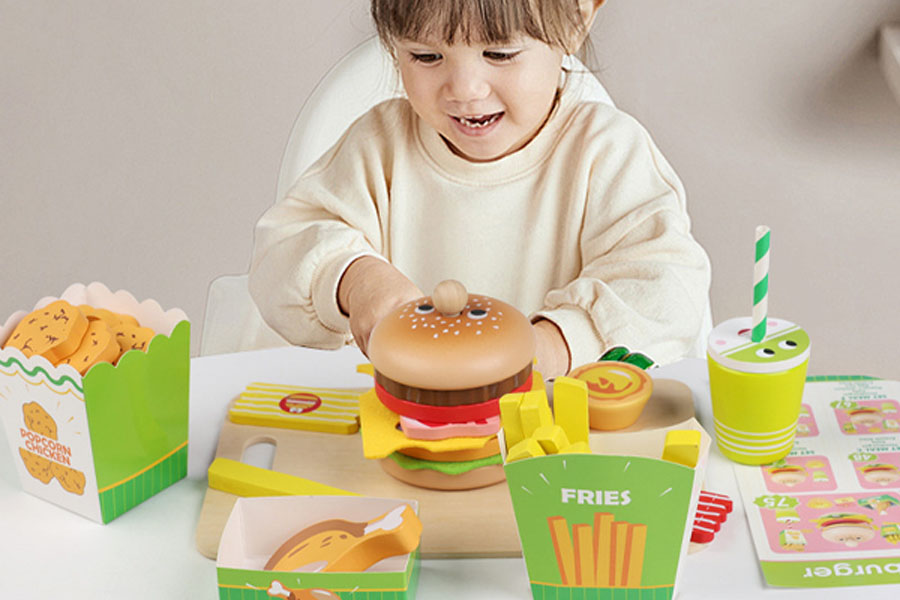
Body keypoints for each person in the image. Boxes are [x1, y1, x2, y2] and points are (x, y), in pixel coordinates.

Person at [249, 0, 711, 379]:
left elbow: (666, 287)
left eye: (500, 54)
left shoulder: (606, 152)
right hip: (407, 429)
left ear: (576, 17)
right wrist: (356, 280)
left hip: (563, 438)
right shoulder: (378, 148)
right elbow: (282, 253)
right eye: (425, 56)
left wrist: (553, 346)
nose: (465, 90)